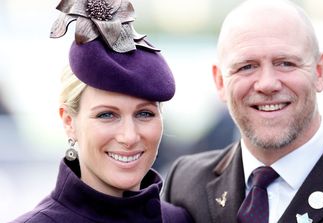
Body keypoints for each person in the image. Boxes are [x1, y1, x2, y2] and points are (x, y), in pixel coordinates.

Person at [162, 0, 323, 222]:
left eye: (285, 63)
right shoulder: (185, 185)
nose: (267, 83)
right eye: (247, 67)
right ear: (220, 82)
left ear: (320, 71)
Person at [10, 0, 192, 222]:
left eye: (144, 114)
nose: (129, 137)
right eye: (107, 115)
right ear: (69, 122)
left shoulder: (180, 219)